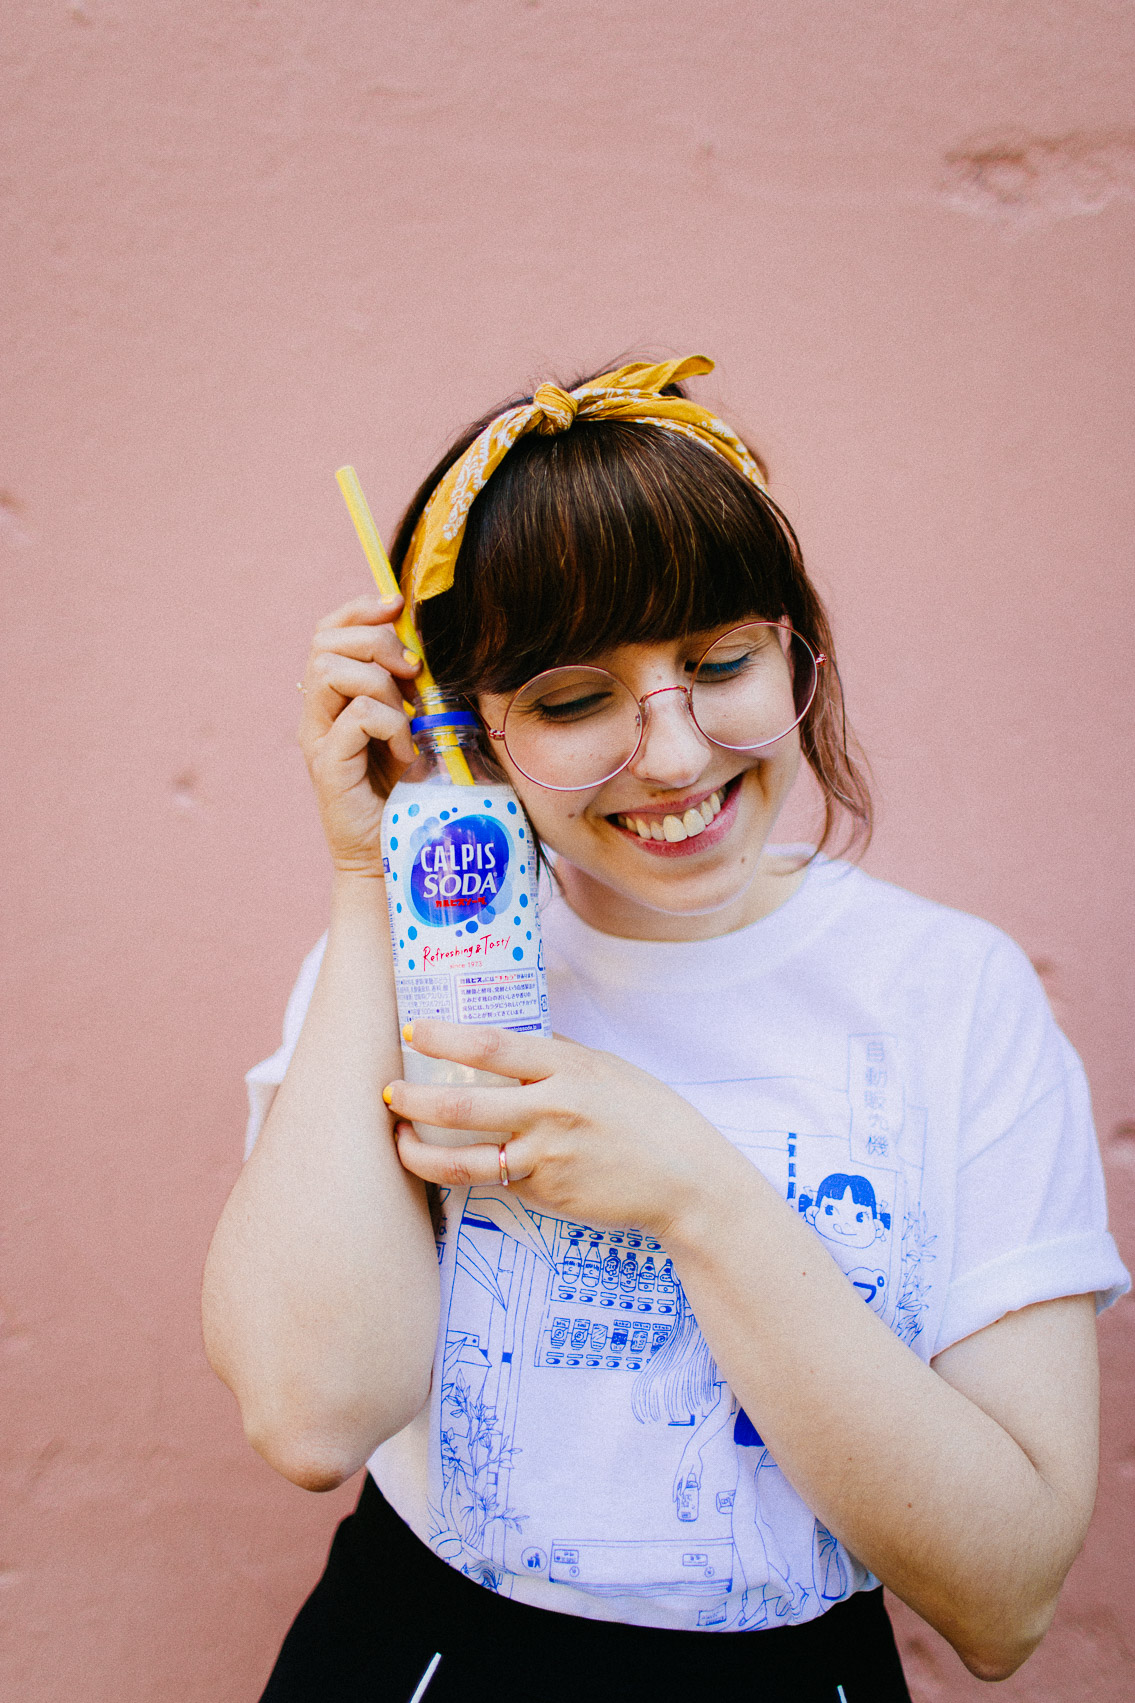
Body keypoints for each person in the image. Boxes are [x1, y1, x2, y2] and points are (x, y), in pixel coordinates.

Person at [202, 356, 1129, 1703]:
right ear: (469, 723)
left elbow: (1006, 1596)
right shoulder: (415, 968)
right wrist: (371, 876)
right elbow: (306, 1416)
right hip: (429, 1663)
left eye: (722, 663)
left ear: (794, 642)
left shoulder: (956, 999)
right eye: (576, 701)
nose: (679, 756)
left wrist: (696, 1194)